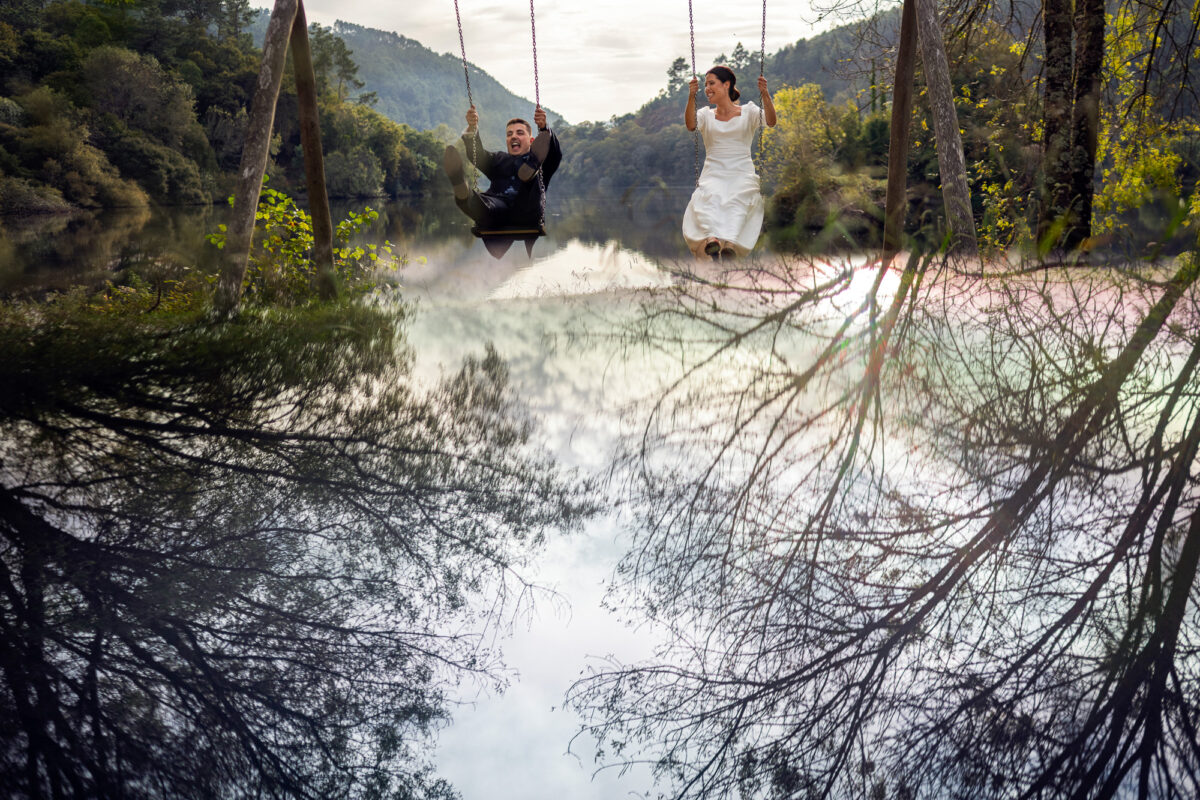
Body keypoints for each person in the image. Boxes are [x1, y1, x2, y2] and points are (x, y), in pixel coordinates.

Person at [682, 65, 777, 260]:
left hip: (741, 172)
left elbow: (771, 121)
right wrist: (692, 96)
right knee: (708, 197)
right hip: (714, 172)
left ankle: (730, 245)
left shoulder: (749, 112)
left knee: (739, 199)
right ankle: (712, 241)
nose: (707, 88)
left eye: (712, 83)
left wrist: (765, 94)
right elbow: (691, 125)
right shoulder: (705, 115)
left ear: (726, 85)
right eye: (706, 84)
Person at [443, 105, 562, 234]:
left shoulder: (543, 163)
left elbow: (555, 155)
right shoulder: (499, 159)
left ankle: (531, 166)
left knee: (532, 187)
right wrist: (472, 128)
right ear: (506, 140)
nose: (513, 136)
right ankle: (462, 188)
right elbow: (477, 155)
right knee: (483, 206)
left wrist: (544, 129)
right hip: (497, 207)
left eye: (520, 133)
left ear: (531, 140)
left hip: (527, 211)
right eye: (509, 134)